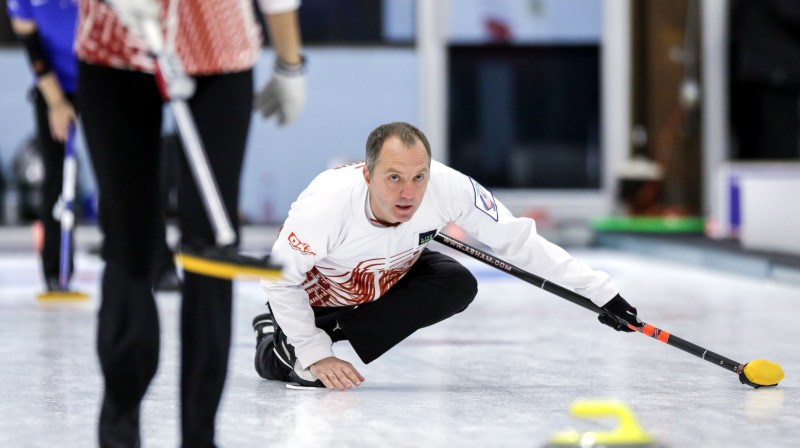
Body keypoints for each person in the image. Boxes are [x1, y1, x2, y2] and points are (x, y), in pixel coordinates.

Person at [253, 122, 643, 391]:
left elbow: (518, 239)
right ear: (368, 176)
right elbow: (277, 277)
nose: (409, 193)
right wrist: (314, 352)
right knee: (309, 374)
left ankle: (325, 337)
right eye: (394, 178)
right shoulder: (328, 205)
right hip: (315, 300)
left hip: (385, 280)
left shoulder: (449, 188)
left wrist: (601, 292)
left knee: (455, 283)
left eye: (418, 176)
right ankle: (276, 341)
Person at [75, 0, 305, 445]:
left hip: (218, 52)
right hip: (113, 51)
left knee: (210, 252)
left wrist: (290, 62)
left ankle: (200, 435)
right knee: (129, 242)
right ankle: (119, 425)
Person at [7, 0, 79, 292]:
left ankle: (155, 265)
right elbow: (31, 46)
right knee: (56, 179)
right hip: (55, 87)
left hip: (104, 80)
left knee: (124, 175)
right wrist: (57, 102)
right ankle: (55, 272)